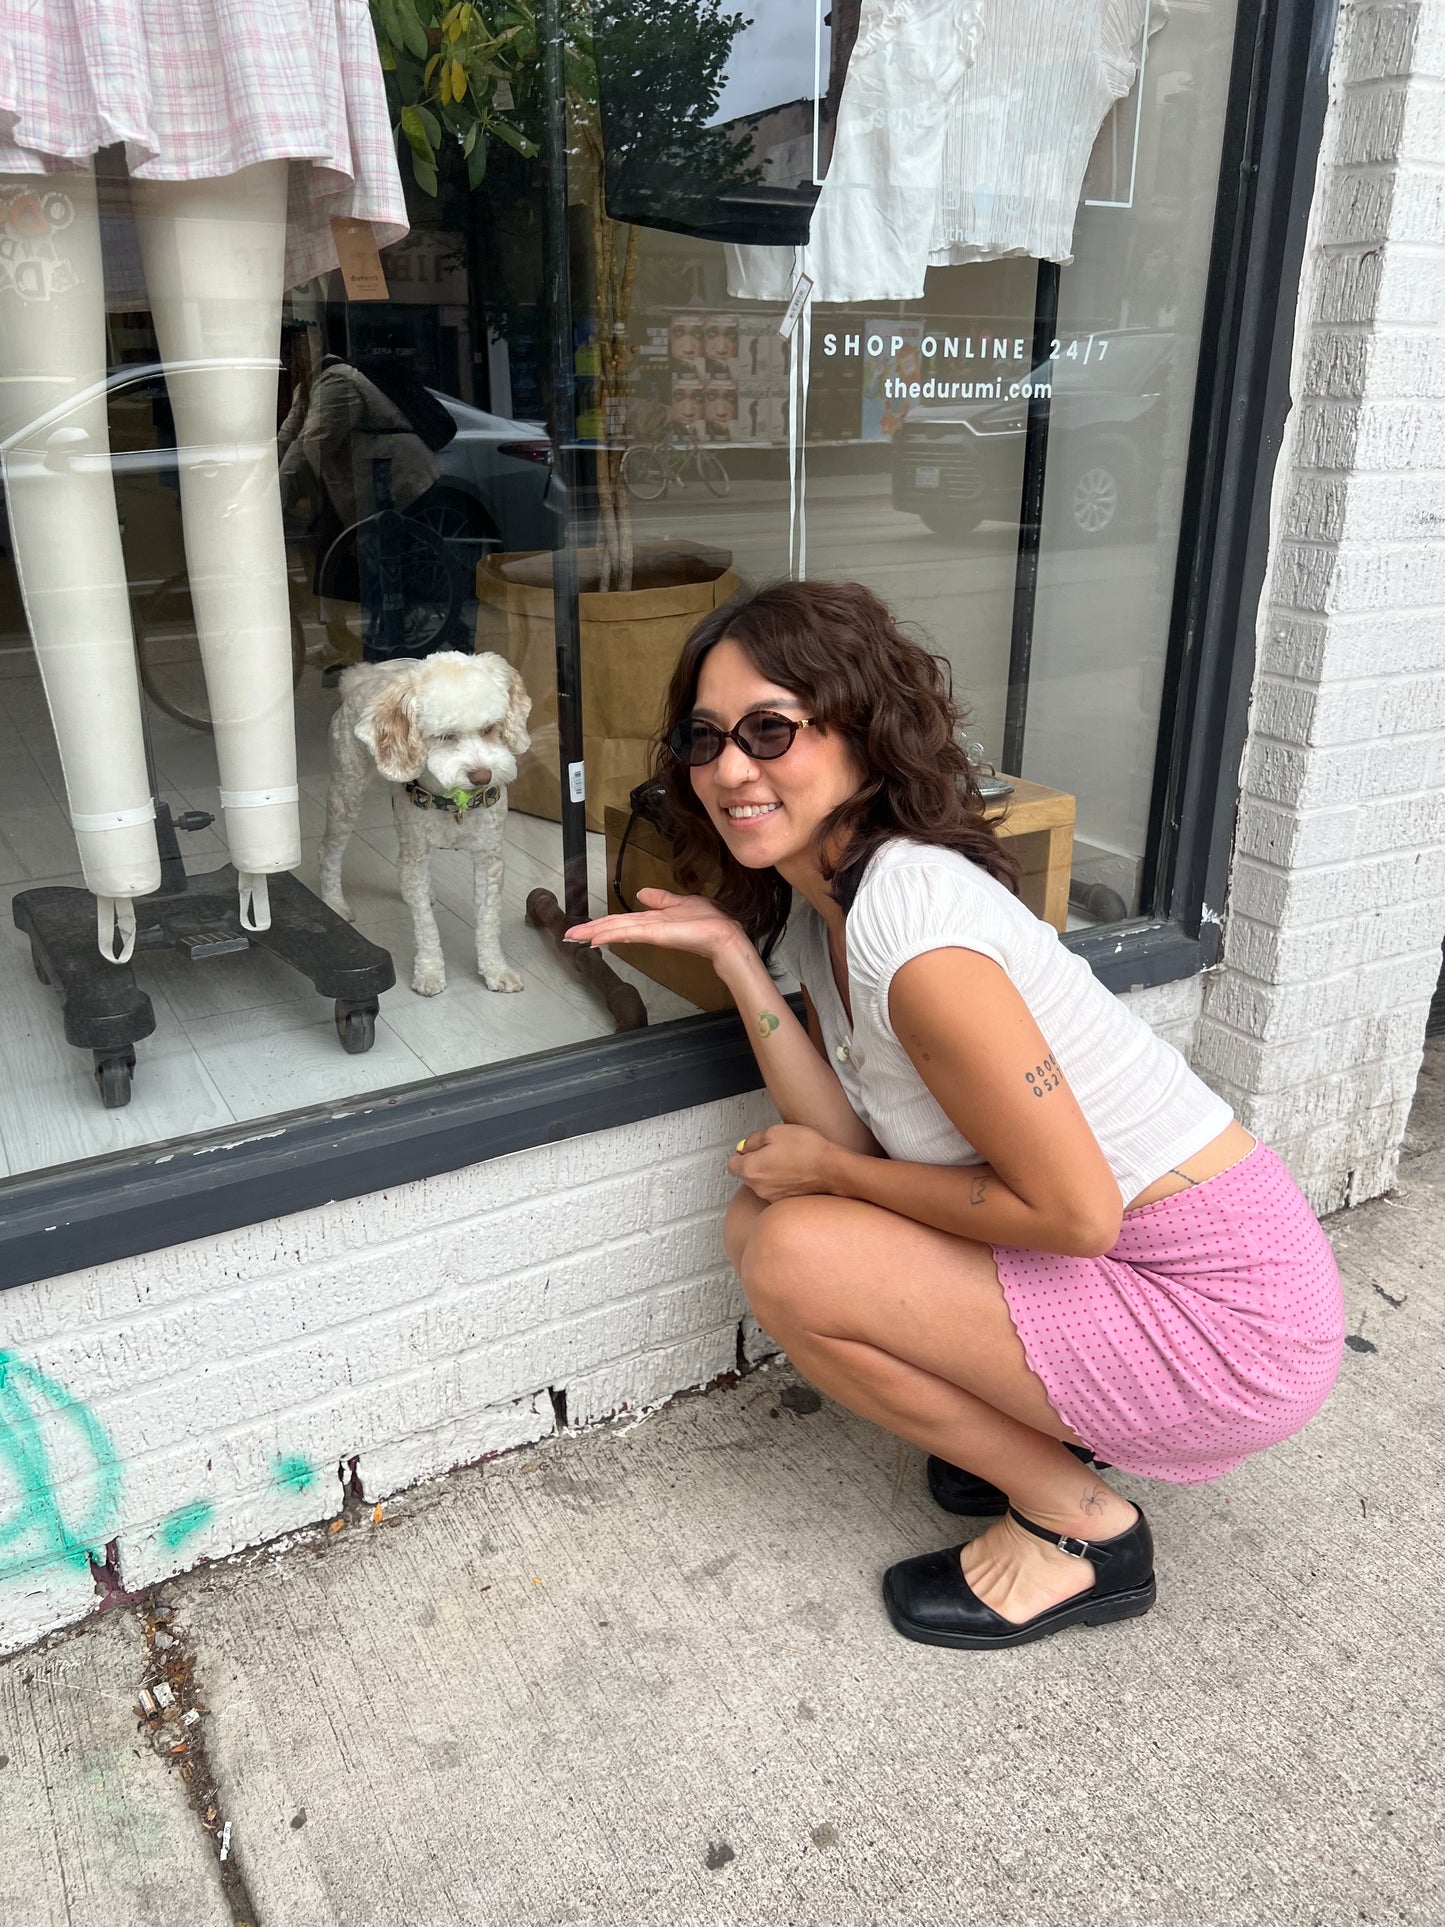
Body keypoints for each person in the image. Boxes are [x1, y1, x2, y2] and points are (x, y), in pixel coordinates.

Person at [566, 580, 1345, 1652]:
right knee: (769, 1226)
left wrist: (834, 1182)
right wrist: (735, 955)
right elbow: (840, 1142)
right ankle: (1032, 1437)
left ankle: (1079, 1529)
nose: (728, 768)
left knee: (793, 1246)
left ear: (862, 737)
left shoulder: (915, 933)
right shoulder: (820, 905)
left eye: (769, 729)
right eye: (705, 738)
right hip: (1133, 1273)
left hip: (1228, 1322)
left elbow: (1072, 1214)